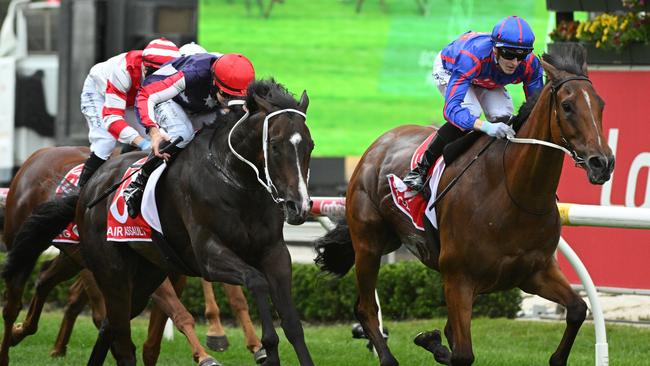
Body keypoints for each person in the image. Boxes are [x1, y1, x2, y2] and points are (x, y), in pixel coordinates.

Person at [403, 16, 544, 192]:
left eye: (521, 55)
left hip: (487, 76)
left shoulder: (531, 65)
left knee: (504, 117)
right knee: (470, 112)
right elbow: (451, 110)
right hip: (452, 69)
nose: (515, 63)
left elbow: (536, 108)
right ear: (495, 49)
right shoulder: (471, 56)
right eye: (509, 54)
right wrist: (485, 126)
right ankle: (420, 169)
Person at [122, 51, 256, 218]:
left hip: (202, 106)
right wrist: (154, 132)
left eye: (236, 97)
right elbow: (146, 95)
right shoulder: (195, 74)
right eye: (226, 95)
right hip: (167, 98)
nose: (230, 101)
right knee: (182, 133)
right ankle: (139, 181)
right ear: (214, 81)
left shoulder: (242, 78)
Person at [77, 38, 181, 187]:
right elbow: (112, 119)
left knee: (160, 139)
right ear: (145, 69)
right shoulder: (123, 71)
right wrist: (142, 142)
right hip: (98, 92)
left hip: (133, 98)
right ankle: (79, 194)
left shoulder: (176, 72)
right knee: (105, 142)